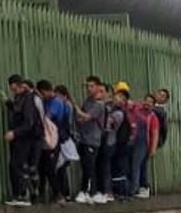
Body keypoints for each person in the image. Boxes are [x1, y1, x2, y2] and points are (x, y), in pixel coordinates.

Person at [4, 75, 42, 206]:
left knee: (18, 166)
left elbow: (28, 122)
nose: (13, 92)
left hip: (27, 138)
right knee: (19, 166)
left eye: (15, 89)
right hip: (23, 138)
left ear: (21, 86)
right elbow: (17, 111)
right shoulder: (20, 98)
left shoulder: (29, 99)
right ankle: (23, 194)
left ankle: (21, 195)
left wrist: (14, 132)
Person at [36, 80, 72, 203]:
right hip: (48, 140)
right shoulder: (48, 101)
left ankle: (59, 194)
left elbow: (48, 118)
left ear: (44, 91)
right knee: (43, 168)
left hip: (54, 140)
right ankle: (47, 193)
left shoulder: (56, 102)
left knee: (51, 168)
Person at [74, 76, 108, 204]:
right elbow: (81, 119)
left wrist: (77, 109)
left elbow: (86, 116)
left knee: (89, 166)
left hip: (92, 140)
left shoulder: (99, 105)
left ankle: (87, 191)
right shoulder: (87, 101)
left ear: (99, 87)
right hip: (83, 138)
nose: (88, 89)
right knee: (85, 166)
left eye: (91, 86)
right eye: (87, 86)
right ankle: (89, 191)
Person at [128, 94, 160, 198]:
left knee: (136, 165)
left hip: (143, 144)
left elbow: (155, 134)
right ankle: (143, 187)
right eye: (146, 100)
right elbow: (128, 104)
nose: (147, 103)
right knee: (141, 166)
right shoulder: (137, 108)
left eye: (150, 102)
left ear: (153, 105)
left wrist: (153, 148)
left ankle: (134, 189)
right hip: (132, 141)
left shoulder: (153, 118)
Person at [109, 84, 132, 199]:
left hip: (119, 145)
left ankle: (121, 192)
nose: (119, 99)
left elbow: (109, 126)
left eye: (123, 98)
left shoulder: (119, 113)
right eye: (118, 96)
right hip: (119, 144)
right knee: (117, 168)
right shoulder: (116, 110)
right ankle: (120, 191)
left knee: (119, 169)